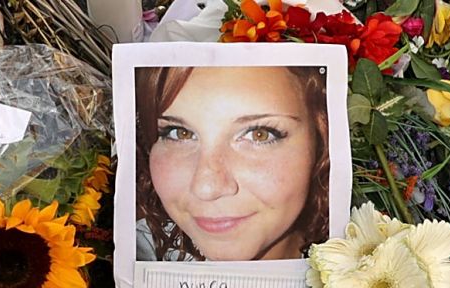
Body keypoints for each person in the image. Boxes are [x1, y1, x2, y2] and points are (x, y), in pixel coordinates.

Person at [136, 65, 330, 261]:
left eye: (259, 134)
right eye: (179, 133)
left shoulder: (358, 269)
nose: (207, 188)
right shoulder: (129, 257)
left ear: (322, 141)